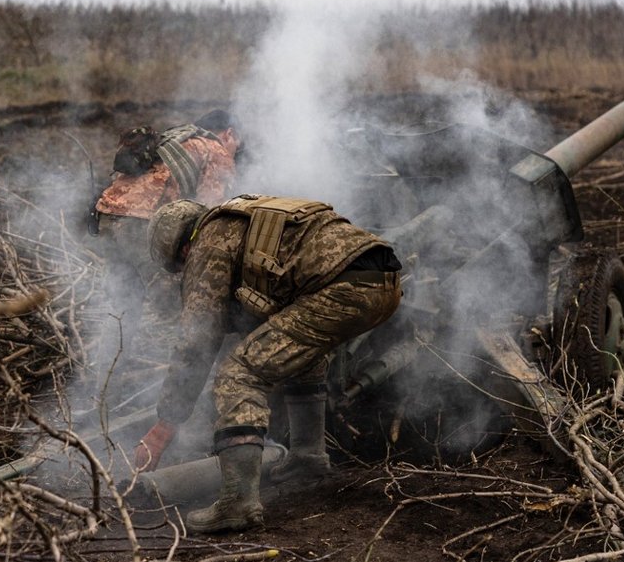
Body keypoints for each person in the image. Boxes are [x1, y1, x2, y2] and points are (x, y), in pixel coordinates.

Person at [137, 194, 402, 533]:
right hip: (384, 280)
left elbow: (197, 341)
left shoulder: (208, 243)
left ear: (181, 250)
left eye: (180, 268)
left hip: (346, 288)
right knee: (296, 352)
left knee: (239, 373)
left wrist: (165, 425)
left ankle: (239, 503)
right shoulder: (238, 222)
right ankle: (308, 460)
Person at [86, 110, 242, 408]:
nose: (236, 152)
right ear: (230, 133)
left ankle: (102, 396)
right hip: (139, 226)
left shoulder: (175, 139)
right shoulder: (217, 149)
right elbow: (213, 215)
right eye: (238, 144)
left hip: (107, 217)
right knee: (189, 310)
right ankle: (196, 397)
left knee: (122, 308)